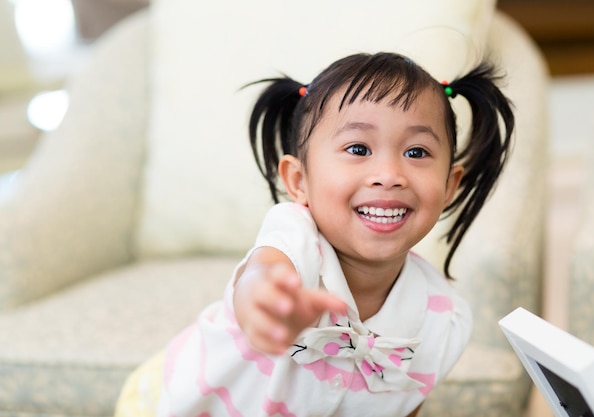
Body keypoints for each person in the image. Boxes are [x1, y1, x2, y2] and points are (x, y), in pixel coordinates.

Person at [115, 51, 514, 417]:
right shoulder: (295, 238)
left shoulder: (444, 319)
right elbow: (264, 273)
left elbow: (405, 404)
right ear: (299, 180)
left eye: (416, 152)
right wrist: (266, 302)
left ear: (449, 185)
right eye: (358, 148)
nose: (390, 176)